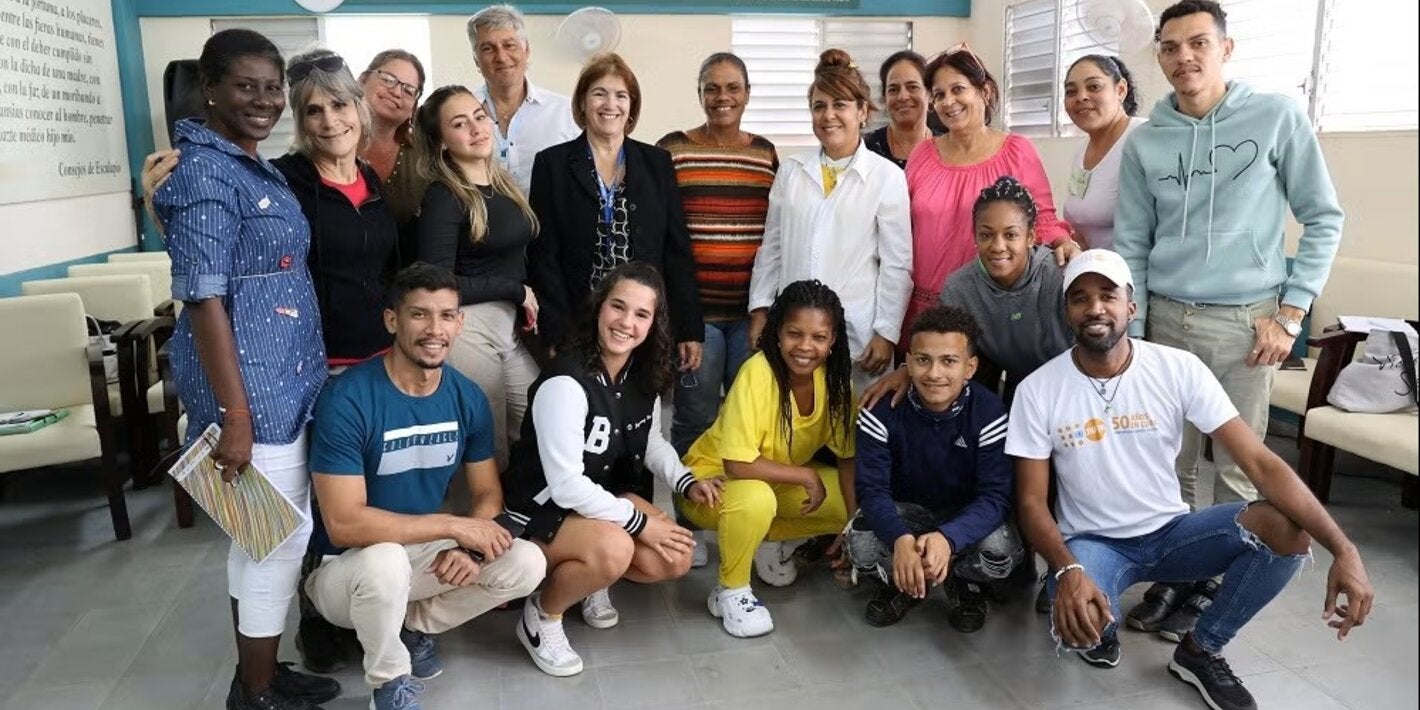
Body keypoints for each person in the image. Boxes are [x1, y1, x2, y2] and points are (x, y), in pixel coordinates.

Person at [1006, 249, 1372, 710]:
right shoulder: (1038, 389)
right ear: (1067, 313)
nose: (1095, 307)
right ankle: (1098, 618)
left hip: (1174, 533)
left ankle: (1201, 649)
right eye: (1080, 298)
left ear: (1131, 307)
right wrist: (1068, 568)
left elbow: (1260, 463)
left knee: (1285, 529)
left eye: (1107, 295)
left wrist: (1344, 548)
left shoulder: (1176, 368)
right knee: (1080, 625)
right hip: (1094, 542)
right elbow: (1032, 504)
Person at [1114, 0, 1344, 640]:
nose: (1183, 57)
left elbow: (1323, 217)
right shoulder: (1148, 141)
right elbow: (1133, 242)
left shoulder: (1275, 117)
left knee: (1239, 466)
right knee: (1173, 462)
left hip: (1247, 322)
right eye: (1170, 47)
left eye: (1198, 43)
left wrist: (1291, 311)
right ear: (1158, 55)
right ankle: (1179, 574)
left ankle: (1216, 583)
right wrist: (1133, 334)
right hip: (1164, 317)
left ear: (1226, 48)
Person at [152, 29, 338, 710]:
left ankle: (259, 670)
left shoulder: (245, 163)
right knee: (274, 544)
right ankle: (256, 691)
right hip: (250, 392)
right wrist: (234, 415)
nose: (263, 100)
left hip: (283, 380)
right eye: (245, 86)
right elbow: (203, 296)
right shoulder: (202, 172)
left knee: (261, 539)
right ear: (209, 88)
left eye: (270, 87)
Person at [305, 263, 546, 710]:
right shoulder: (348, 399)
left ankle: (412, 625)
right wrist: (455, 526)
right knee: (385, 562)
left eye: (446, 315)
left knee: (527, 562)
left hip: (419, 553)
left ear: (460, 321)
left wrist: (470, 546)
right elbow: (343, 524)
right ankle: (389, 682)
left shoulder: (466, 397)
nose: (435, 329)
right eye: (419, 315)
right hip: (344, 568)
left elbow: (487, 495)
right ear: (392, 320)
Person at [501, 262, 717, 677]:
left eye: (641, 314)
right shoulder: (565, 380)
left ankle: (588, 578)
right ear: (599, 307)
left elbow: (649, 439)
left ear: (655, 323)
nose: (626, 323)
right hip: (539, 512)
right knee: (618, 548)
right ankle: (542, 616)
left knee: (675, 558)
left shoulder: (644, 372)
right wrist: (639, 522)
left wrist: (684, 481)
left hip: (596, 502)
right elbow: (564, 486)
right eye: (618, 307)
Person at [679, 280, 857, 638]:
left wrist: (852, 526)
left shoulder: (835, 383)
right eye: (795, 333)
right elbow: (737, 466)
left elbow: (848, 458)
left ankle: (759, 542)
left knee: (851, 504)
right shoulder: (757, 373)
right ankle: (731, 590)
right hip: (710, 483)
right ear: (777, 333)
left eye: (819, 337)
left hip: (774, 479)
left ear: (833, 340)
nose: (805, 347)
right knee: (756, 498)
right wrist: (806, 477)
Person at [847, 305, 1024, 631]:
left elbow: (996, 497)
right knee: (860, 545)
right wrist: (900, 539)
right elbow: (871, 491)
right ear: (908, 362)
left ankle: (959, 578)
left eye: (949, 361)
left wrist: (948, 539)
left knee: (1002, 553)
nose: (934, 373)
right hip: (908, 513)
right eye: (923, 360)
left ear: (970, 367)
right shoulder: (880, 410)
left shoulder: (988, 411)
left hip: (963, 515)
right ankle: (907, 581)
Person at [527, 53, 703, 376]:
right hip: (577, 323)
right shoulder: (551, 164)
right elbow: (544, 257)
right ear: (582, 103)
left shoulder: (657, 163)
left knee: (638, 411)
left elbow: (676, 250)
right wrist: (554, 329)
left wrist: (689, 327)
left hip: (640, 323)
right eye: (599, 93)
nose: (611, 104)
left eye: (621, 95)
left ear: (631, 107)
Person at [748, 49, 912, 395]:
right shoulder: (792, 171)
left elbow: (897, 264)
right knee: (794, 429)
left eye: (840, 104)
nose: (829, 115)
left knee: (854, 431)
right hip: (794, 331)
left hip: (858, 334)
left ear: (862, 111)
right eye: (819, 106)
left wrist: (886, 333)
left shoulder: (886, 177)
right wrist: (760, 310)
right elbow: (772, 248)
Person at [901, 44, 1070, 343]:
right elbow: (901, 228)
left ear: (985, 91)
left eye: (958, 89)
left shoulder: (1017, 151)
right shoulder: (922, 155)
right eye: (939, 95)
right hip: (924, 307)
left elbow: (1041, 218)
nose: (948, 102)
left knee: (984, 388)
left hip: (993, 307)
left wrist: (1062, 241)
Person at [655, 52, 779, 455]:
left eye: (732, 88)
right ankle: (688, 517)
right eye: (712, 88)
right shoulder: (673, 149)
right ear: (700, 94)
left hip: (751, 316)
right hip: (696, 319)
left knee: (749, 421)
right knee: (695, 418)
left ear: (747, 94)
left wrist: (765, 310)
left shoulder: (765, 153)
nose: (722, 96)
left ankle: (736, 506)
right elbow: (660, 234)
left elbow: (775, 235)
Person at [414, 85, 541, 476]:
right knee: (488, 450)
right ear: (441, 143)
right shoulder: (444, 196)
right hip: (468, 328)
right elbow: (436, 285)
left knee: (538, 427)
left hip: (509, 328)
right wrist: (516, 291)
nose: (475, 127)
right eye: (459, 123)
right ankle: (477, 532)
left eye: (478, 115)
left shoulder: (503, 186)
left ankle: (522, 524)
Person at [467, 4, 581, 194]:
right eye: (488, 48)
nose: (501, 57)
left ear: (526, 50)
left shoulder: (567, 113)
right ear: (476, 60)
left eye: (509, 45)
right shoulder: (462, 116)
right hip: (479, 223)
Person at [1061, 55, 1147, 251]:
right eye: (1071, 91)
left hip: (1135, 276)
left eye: (1094, 87)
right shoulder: (1081, 151)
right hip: (1096, 274)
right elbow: (1082, 229)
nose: (1081, 97)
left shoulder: (1144, 138)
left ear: (1121, 90)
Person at [358, 49, 429, 233]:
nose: (397, 92)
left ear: (414, 107)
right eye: (388, 79)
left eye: (409, 90)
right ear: (363, 80)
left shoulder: (425, 159)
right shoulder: (331, 143)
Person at [862, 50, 942, 169]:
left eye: (912, 87)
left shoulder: (948, 149)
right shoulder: (864, 149)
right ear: (885, 97)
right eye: (893, 90)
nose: (903, 96)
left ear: (930, 94)